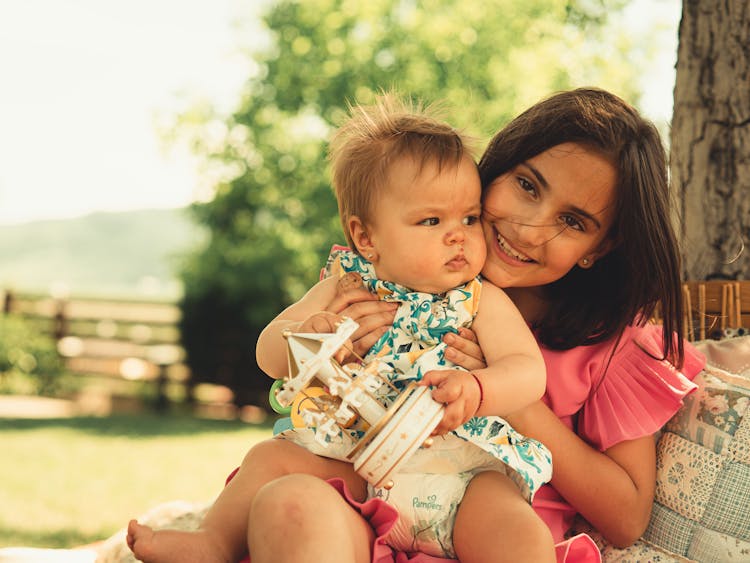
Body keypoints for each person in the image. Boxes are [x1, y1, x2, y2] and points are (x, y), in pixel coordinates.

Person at [127, 94, 556, 563]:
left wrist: (477, 388)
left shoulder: (477, 298)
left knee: (516, 528)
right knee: (270, 461)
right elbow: (267, 354)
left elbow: (528, 371)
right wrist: (307, 333)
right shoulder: (345, 285)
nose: (458, 234)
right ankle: (213, 542)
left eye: (469, 217)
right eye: (431, 220)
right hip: (351, 463)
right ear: (366, 237)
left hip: (458, 471)